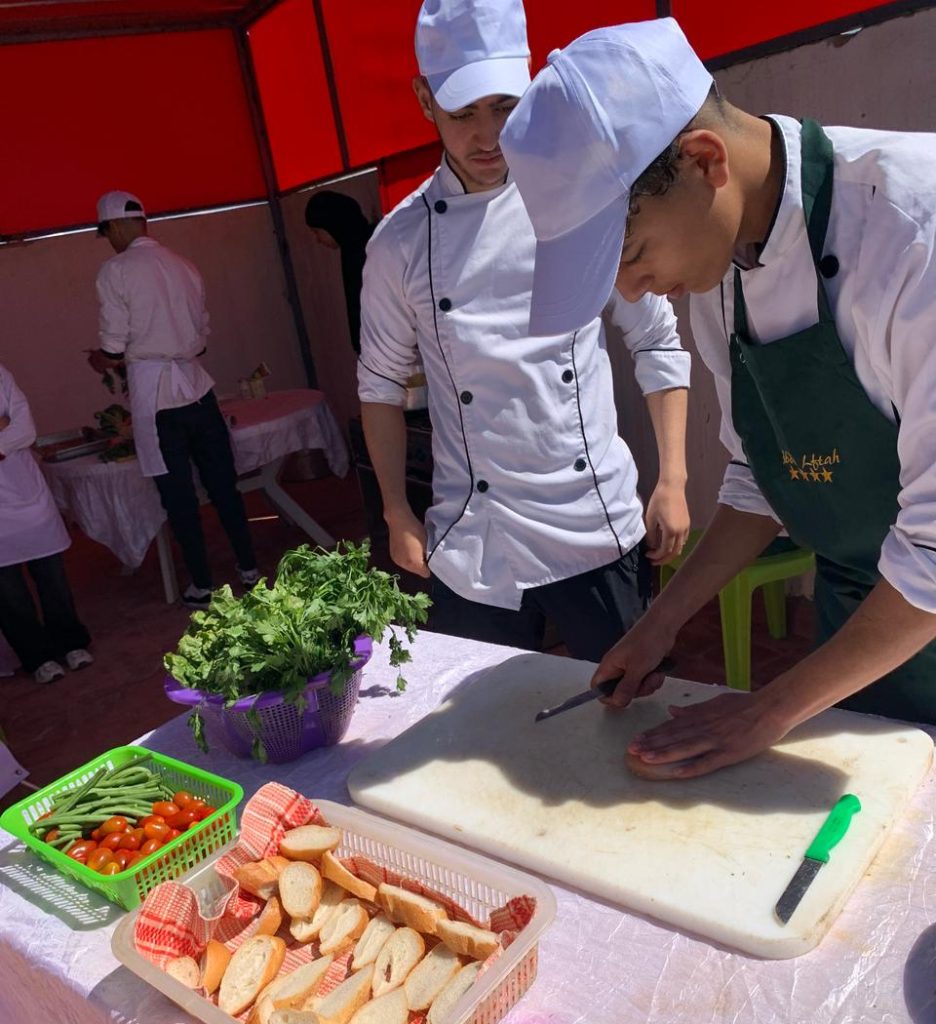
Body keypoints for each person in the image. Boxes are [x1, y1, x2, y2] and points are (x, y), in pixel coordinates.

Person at [500, 18, 936, 773]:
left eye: (631, 253)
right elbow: (759, 479)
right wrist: (659, 624)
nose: (632, 290)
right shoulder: (717, 271)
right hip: (861, 634)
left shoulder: (912, 232)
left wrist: (767, 710)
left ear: (705, 160)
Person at [357, 0, 691, 662]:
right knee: (485, 720)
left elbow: (655, 338)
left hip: (591, 525)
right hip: (473, 538)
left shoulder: (583, 198)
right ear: (424, 100)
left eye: (504, 107)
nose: (488, 136)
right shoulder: (398, 243)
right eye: (463, 113)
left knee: (627, 703)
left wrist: (673, 479)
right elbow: (380, 384)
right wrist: (397, 511)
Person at [89, 191, 259, 610]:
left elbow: (113, 344)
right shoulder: (184, 264)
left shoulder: (116, 270)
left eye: (107, 232)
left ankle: (202, 584)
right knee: (223, 486)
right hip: (198, 390)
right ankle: (249, 568)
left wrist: (101, 359)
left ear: (115, 226)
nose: (110, 241)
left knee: (178, 496)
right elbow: (201, 335)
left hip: (158, 398)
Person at [0, 364, 93, 683]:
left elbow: (25, 429)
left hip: (27, 491)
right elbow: (12, 429)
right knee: (7, 590)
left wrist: (7, 434)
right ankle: (37, 656)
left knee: (52, 575)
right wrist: (3, 426)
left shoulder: (1, 375)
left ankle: (70, 641)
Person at [305, 190, 376, 354]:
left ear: (332, 225)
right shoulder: (354, 247)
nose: (318, 240)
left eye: (317, 232)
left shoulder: (363, 251)